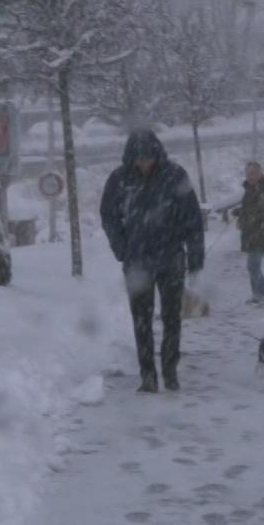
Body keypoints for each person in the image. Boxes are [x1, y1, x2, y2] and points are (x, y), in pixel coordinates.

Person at [100, 129, 205, 393]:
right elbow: (108, 215)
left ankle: (170, 370)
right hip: (137, 262)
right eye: (139, 158)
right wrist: (121, 248)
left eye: (148, 158)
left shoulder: (175, 176)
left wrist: (195, 255)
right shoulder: (119, 179)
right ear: (131, 157)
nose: (144, 163)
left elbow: (193, 218)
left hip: (171, 258)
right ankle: (148, 375)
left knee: (172, 318)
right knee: (141, 320)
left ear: (157, 155)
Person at [234, 161, 264, 305]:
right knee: (253, 266)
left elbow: (262, 212)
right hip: (252, 234)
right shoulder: (251, 189)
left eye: (254, 173)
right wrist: (239, 212)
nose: (251, 176)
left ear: (260, 173)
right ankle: (260, 294)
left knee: (253, 266)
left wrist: (246, 218)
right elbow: (250, 208)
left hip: (261, 233)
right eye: (248, 173)